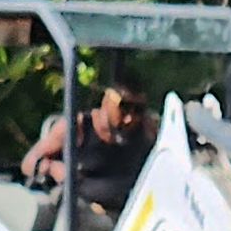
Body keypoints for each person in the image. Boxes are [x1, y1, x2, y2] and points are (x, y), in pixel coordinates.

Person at [19, 68, 159, 213]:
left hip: (133, 214)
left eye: (138, 110)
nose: (129, 118)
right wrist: (52, 168)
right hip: (86, 210)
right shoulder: (77, 127)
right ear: (107, 99)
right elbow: (28, 163)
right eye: (124, 106)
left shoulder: (147, 131)